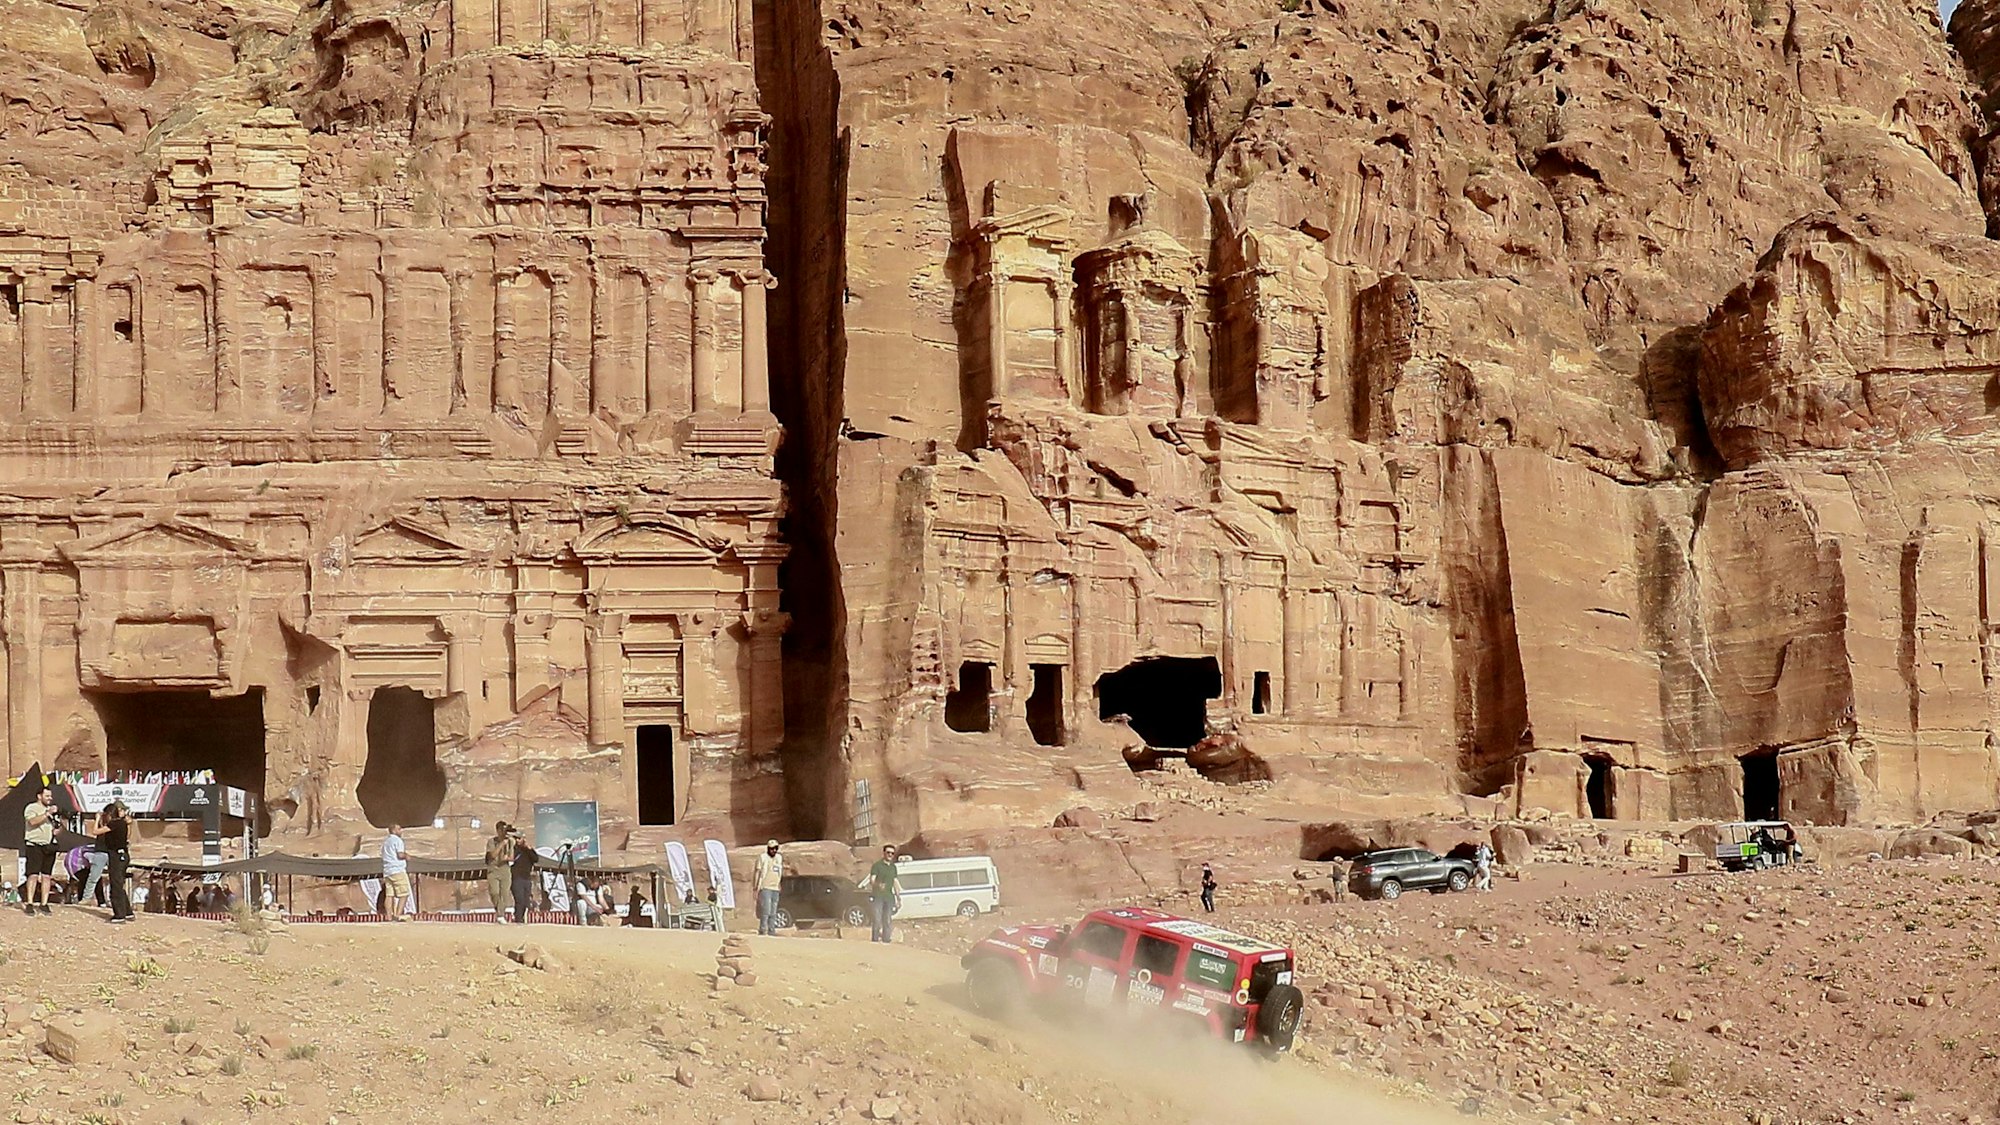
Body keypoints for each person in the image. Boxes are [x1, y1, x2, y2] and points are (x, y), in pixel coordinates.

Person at [21, 787, 58, 916]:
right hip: (34, 845)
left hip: (49, 845)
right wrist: (47, 813)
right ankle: (30, 903)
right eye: (47, 796)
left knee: (47, 876)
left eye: (50, 796)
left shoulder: (51, 811)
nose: (50, 798)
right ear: (39, 796)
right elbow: (32, 821)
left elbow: (56, 828)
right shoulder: (31, 808)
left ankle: (44, 903)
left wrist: (57, 829)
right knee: (33, 875)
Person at [97, 803, 133, 923]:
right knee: (119, 884)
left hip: (116, 856)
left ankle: (119, 915)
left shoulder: (115, 823)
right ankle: (128, 912)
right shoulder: (122, 823)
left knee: (116, 886)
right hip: (123, 855)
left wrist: (97, 819)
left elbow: (95, 831)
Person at [864, 845, 900, 944]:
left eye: (892, 853)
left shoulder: (893, 867)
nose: (890, 855)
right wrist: (878, 884)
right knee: (877, 919)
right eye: (888, 852)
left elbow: (895, 882)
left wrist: (898, 898)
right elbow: (872, 880)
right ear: (884, 853)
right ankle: (875, 941)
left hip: (889, 897)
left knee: (887, 920)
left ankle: (886, 941)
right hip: (878, 896)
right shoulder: (877, 866)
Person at [485, 822, 515, 922]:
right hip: (493, 869)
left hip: (505, 869)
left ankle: (500, 914)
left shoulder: (510, 841)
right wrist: (501, 844)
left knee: (504, 893)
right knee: (494, 892)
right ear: (497, 831)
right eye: (501, 830)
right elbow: (492, 855)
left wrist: (508, 857)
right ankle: (499, 910)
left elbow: (511, 857)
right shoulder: (491, 842)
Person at [753, 839, 785, 936]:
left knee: (773, 911)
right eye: (771, 848)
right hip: (765, 887)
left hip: (775, 888)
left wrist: (779, 884)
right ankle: (763, 930)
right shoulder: (762, 857)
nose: (773, 850)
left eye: (775, 848)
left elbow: (779, 872)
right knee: (766, 910)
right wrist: (755, 886)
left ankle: (772, 930)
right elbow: (758, 871)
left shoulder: (779, 858)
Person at [380, 824, 410, 921]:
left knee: (389, 895)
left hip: (387, 871)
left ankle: (389, 917)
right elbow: (400, 855)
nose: (401, 831)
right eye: (399, 829)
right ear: (393, 830)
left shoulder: (385, 842)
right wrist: (407, 856)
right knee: (404, 894)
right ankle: (397, 915)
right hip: (397, 870)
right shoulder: (398, 840)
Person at [509, 832, 538, 924]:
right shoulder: (513, 849)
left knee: (526, 902)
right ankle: (518, 919)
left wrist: (529, 848)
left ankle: (520, 918)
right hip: (516, 878)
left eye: (519, 838)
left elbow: (535, 859)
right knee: (519, 900)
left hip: (527, 878)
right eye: (516, 838)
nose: (517, 840)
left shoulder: (527, 850)